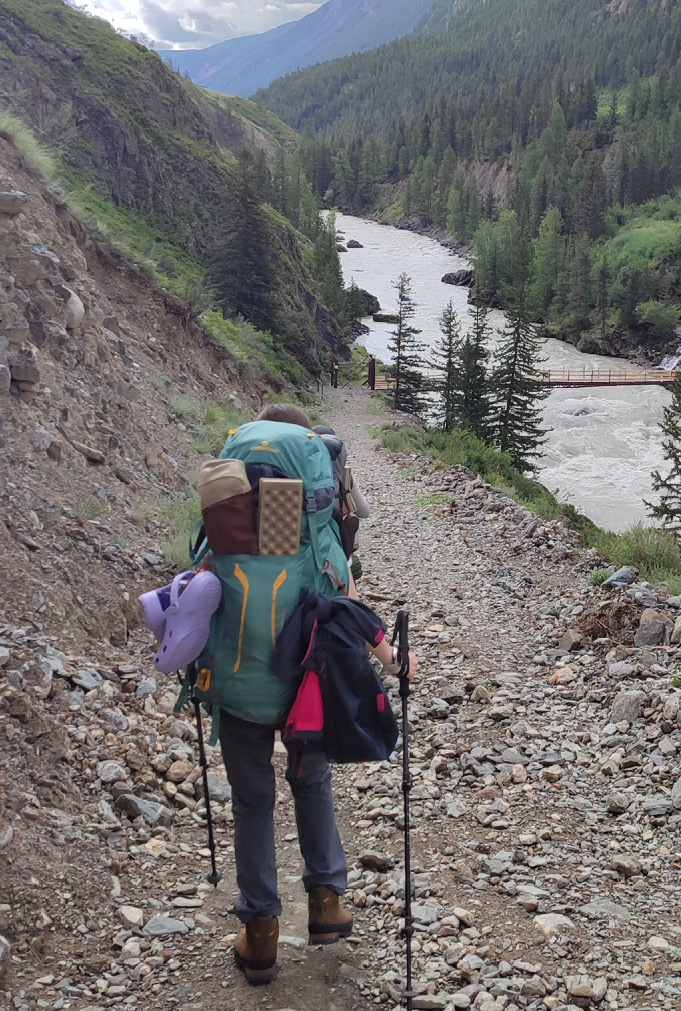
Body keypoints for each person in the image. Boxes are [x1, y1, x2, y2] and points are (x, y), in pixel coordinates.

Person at [225, 403, 417, 984]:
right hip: (303, 688)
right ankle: (327, 903)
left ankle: (259, 933)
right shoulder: (316, 536)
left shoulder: (227, 530)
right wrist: (394, 660)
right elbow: (351, 607)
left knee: (251, 802)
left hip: (236, 685)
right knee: (310, 779)